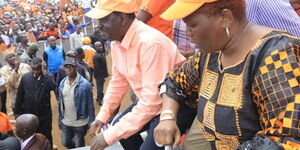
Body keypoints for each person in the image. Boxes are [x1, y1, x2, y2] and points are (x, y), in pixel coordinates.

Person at [154, 0, 300, 150]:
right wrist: (167, 117)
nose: (187, 33)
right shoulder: (211, 54)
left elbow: (285, 140)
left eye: (192, 25)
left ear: (225, 17)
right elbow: (174, 81)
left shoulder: (276, 57)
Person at [85, 0, 186, 149]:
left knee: (126, 135)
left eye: (104, 19)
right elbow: (118, 83)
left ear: (123, 18)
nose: (98, 25)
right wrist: (102, 117)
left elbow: (153, 102)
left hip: (175, 105)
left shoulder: (150, 43)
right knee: (123, 132)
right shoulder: (116, 43)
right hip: (149, 102)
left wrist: (108, 136)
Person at [14, 57, 56, 146]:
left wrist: (45, 73)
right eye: (33, 69)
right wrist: (17, 112)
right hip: (29, 116)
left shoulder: (47, 77)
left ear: (41, 67)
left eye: (38, 69)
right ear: (30, 68)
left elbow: (52, 86)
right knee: (30, 137)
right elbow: (19, 96)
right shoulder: (25, 78)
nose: (35, 72)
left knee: (46, 136)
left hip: (45, 115)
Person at [58, 58, 95, 149]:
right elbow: (60, 103)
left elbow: (90, 105)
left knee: (78, 144)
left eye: (71, 67)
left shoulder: (85, 84)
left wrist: (92, 122)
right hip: (66, 121)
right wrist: (60, 119)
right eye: (67, 67)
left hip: (80, 122)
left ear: (76, 68)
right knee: (65, 142)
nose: (69, 69)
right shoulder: (62, 83)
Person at [93, 41, 108, 105]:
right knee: (100, 88)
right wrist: (101, 76)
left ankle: (98, 98)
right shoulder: (96, 56)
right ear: (95, 47)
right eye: (98, 46)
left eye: (101, 45)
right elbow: (97, 68)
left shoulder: (101, 53)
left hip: (101, 74)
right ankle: (100, 100)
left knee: (100, 87)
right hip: (99, 75)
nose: (101, 47)